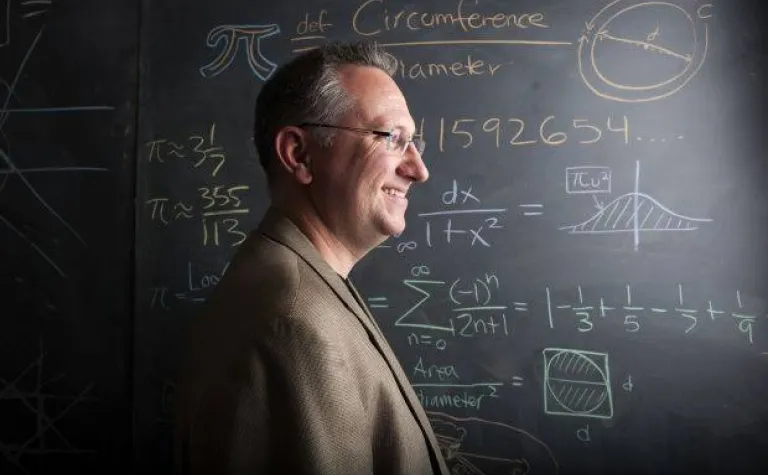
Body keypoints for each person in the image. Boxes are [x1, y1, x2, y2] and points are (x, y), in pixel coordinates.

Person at [173, 41, 450, 475]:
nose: (418, 169)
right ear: (299, 154)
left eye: (413, 142)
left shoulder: (299, 282)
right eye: (392, 138)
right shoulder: (295, 323)